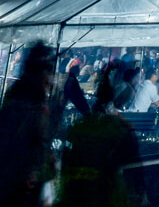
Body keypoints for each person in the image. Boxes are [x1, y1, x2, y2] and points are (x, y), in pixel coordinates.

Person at [0, 41, 57, 207]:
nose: (51, 81)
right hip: (18, 175)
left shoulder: (19, 93)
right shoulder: (30, 103)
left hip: (11, 172)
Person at [60, 70, 140, 207]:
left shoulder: (81, 126)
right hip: (103, 190)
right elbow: (129, 163)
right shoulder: (118, 129)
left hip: (78, 191)